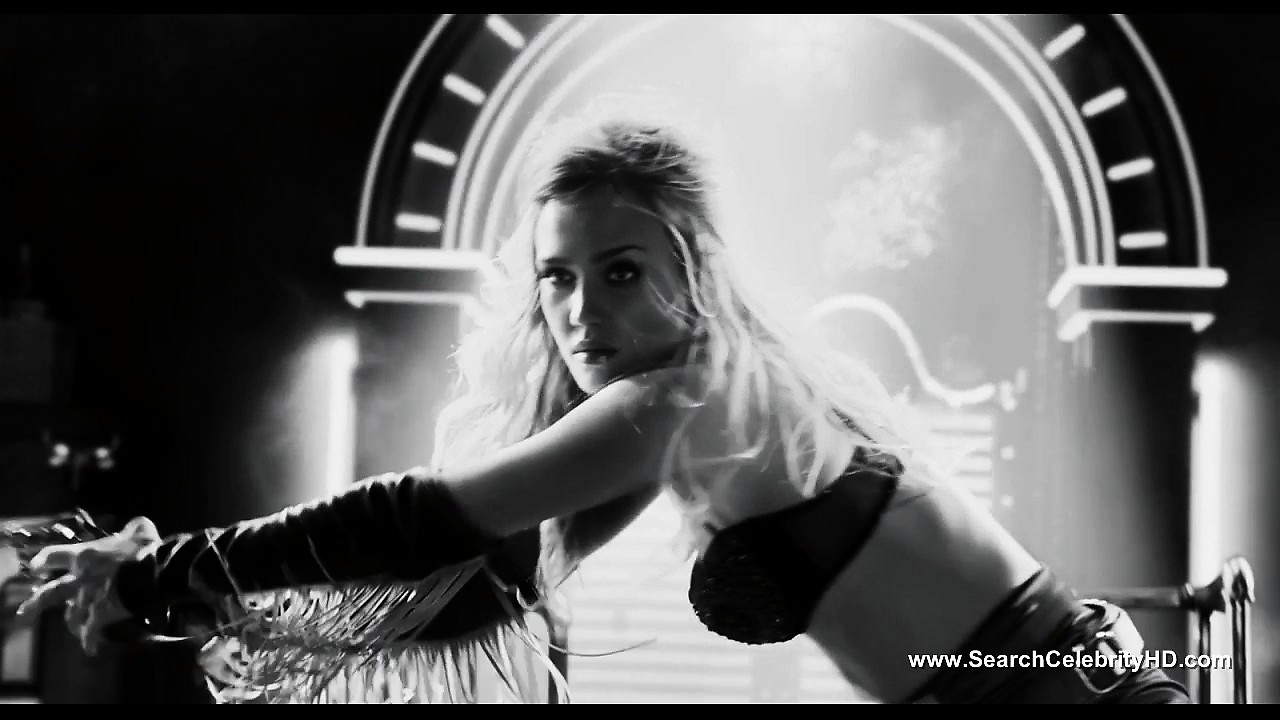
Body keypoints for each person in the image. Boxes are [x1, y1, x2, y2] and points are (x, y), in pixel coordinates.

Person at [17, 100, 1192, 705]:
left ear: (691, 266)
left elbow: (418, 516)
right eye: (557, 278)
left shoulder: (687, 401)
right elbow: (470, 578)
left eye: (620, 272)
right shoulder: (688, 414)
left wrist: (163, 570)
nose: (581, 313)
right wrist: (200, 605)